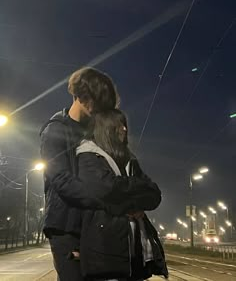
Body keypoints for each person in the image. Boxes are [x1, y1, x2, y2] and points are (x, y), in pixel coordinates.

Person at [40, 67, 163, 281]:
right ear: (80, 96)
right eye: (96, 102)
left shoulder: (96, 131)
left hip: (96, 223)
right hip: (66, 225)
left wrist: (127, 199)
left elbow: (119, 175)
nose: (98, 109)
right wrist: (117, 204)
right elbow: (62, 182)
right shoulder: (55, 130)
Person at [72, 109, 168, 280]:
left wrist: (131, 196)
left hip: (135, 251)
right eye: (119, 125)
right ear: (106, 128)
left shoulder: (130, 159)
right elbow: (105, 188)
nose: (124, 129)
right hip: (105, 250)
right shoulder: (89, 155)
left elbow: (155, 196)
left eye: (125, 125)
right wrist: (139, 191)